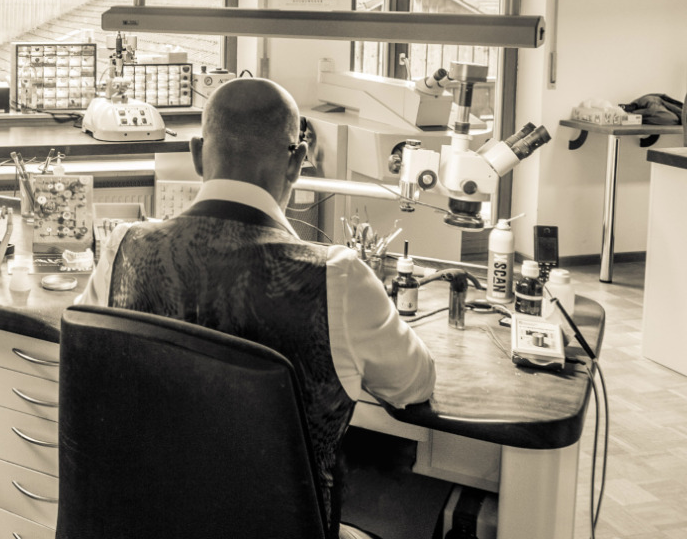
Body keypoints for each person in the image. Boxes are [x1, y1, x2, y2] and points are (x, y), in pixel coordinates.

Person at [89, 78, 435, 539]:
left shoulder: (123, 249)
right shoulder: (337, 277)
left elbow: (93, 372)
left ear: (197, 155)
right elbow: (413, 385)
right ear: (297, 160)